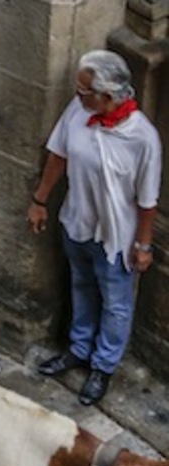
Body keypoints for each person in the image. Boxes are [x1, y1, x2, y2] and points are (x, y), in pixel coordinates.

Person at [28, 49, 162, 406]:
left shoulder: (143, 139)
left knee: (115, 303)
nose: (77, 96)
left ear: (109, 96)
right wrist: (40, 200)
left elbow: (147, 201)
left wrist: (143, 246)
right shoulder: (79, 111)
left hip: (116, 238)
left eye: (85, 91)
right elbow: (58, 155)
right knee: (81, 287)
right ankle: (78, 349)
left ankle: (102, 366)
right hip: (77, 223)